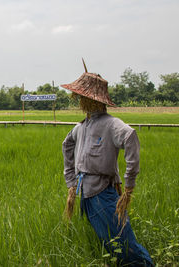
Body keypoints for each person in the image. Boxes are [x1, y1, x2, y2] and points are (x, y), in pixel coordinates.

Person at [61, 71, 154, 266]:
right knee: (109, 241)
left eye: (81, 97)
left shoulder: (111, 124)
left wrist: (128, 187)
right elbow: (66, 144)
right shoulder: (81, 127)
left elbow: (130, 137)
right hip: (85, 192)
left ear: (91, 99)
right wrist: (71, 182)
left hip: (103, 191)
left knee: (123, 240)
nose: (78, 101)